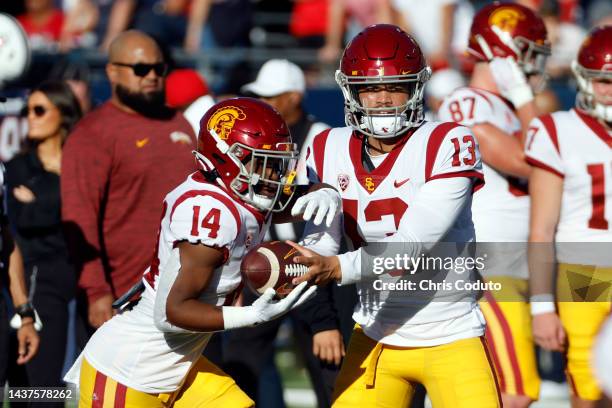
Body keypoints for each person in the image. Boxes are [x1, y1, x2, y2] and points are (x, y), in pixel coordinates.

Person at [64, 97, 342, 407]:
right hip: (131, 372)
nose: (275, 175)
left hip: (178, 362)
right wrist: (250, 315)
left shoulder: (237, 193)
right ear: (229, 158)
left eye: (277, 164)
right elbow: (171, 314)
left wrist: (322, 192)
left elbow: (286, 203)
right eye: (263, 162)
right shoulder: (211, 213)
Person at [288, 24, 501, 407]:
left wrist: (333, 268)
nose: (383, 99)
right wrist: (298, 260)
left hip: (451, 332)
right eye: (370, 88)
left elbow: (409, 249)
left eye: (395, 86)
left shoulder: (447, 141)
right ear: (351, 90)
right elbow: (321, 244)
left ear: (416, 87)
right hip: (375, 333)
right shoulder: (325, 146)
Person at [437, 3, 551, 407]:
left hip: (518, 261)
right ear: (501, 49)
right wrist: (523, 98)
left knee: (514, 385)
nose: (534, 60)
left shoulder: (504, 108)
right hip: (490, 261)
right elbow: (533, 160)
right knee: (515, 389)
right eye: (526, 49)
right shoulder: (467, 102)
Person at [61, 31, 196, 339]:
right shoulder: (92, 133)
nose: (151, 76)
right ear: (112, 71)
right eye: (140, 69)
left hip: (187, 296)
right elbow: (79, 217)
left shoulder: (179, 123)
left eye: (158, 69)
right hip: (124, 298)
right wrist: (96, 290)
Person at [525, 25, 612, 408]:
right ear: (584, 79)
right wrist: (542, 306)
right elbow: (541, 229)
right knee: (589, 384)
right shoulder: (557, 129)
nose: (610, 90)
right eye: (603, 80)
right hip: (585, 270)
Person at [4, 80, 82, 399]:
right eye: (26, 111)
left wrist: (41, 201)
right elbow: (23, 219)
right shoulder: (18, 166)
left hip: (72, 285)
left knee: (54, 388)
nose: (30, 118)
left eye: (39, 110)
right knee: (36, 389)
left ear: (62, 115)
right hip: (32, 283)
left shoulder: (81, 169)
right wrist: (63, 202)